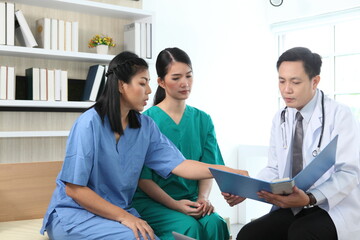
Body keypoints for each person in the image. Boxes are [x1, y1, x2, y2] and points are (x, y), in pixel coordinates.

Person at [40, 51, 247, 240]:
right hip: (76, 214)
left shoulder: (144, 126)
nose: (149, 90)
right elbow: (75, 190)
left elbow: (181, 165)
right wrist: (125, 217)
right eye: (142, 83)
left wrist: (229, 171)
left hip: (117, 213)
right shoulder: (89, 123)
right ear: (122, 85)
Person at [223, 47, 360, 240]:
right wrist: (247, 190)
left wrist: (312, 197)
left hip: (332, 206)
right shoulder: (281, 117)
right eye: (281, 81)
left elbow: (349, 173)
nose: (286, 89)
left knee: (302, 233)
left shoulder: (340, 115)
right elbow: (275, 168)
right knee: (249, 234)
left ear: (315, 81)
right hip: (293, 205)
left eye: (295, 82)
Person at [132, 47, 229, 240]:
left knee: (215, 223)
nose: (185, 83)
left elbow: (209, 168)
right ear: (161, 82)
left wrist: (203, 198)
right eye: (176, 78)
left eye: (189, 76)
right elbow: (143, 179)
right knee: (189, 227)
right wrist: (175, 205)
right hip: (154, 202)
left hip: (192, 200)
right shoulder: (146, 122)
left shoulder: (203, 120)